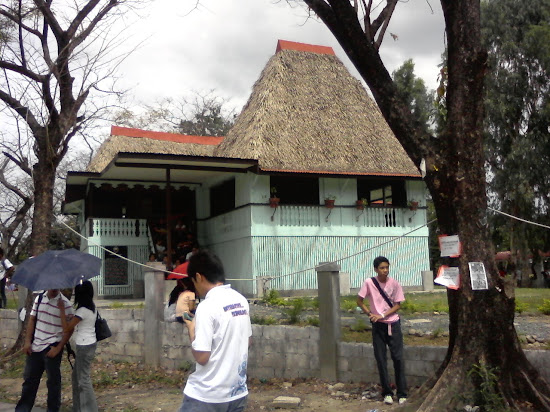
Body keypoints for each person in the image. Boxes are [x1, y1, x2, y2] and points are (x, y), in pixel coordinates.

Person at [179, 250, 252, 412]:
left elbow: (202, 356)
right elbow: (248, 341)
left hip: (206, 396)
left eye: (193, 281)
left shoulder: (207, 306)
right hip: (236, 393)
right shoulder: (240, 300)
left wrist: (191, 329)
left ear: (198, 277)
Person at [356, 256, 407, 406]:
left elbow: (398, 305)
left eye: (387, 267)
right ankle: (387, 393)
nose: (385, 270)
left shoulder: (394, 284)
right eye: (382, 268)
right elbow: (359, 300)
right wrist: (369, 314)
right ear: (376, 269)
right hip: (378, 326)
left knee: (398, 358)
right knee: (381, 359)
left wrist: (383, 315)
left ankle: (402, 393)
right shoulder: (369, 283)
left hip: (393, 324)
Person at [16, 289, 74, 412]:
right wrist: (27, 341)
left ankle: (53, 409)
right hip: (36, 346)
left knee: (53, 382)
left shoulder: (65, 304)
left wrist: (59, 348)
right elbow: (32, 320)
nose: (54, 288)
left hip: (52, 346)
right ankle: (23, 409)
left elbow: (70, 329)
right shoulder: (40, 299)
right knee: (29, 381)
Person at [58, 281, 99, 412]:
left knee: (83, 380)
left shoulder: (82, 310)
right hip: (90, 344)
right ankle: (78, 407)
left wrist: (62, 310)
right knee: (76, 377)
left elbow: (66, 328)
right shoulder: (92, 307)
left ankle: (90, 409)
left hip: (84, 346)